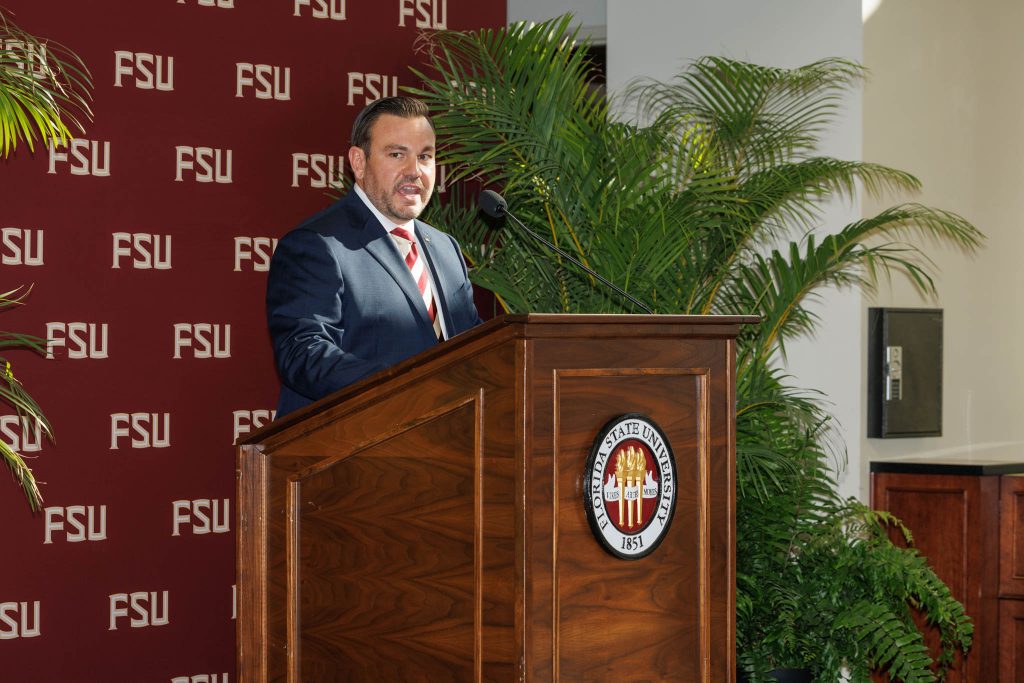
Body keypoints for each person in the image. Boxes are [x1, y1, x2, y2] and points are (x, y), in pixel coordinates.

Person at [266, 96, 483, 416]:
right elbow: (304, 354)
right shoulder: (317, 245)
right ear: (358, 161)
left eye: (425, 156)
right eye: (397, 154)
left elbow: (476, 347)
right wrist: (408, 387)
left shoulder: (445, 248)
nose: (415, 171)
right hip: (351, 450)